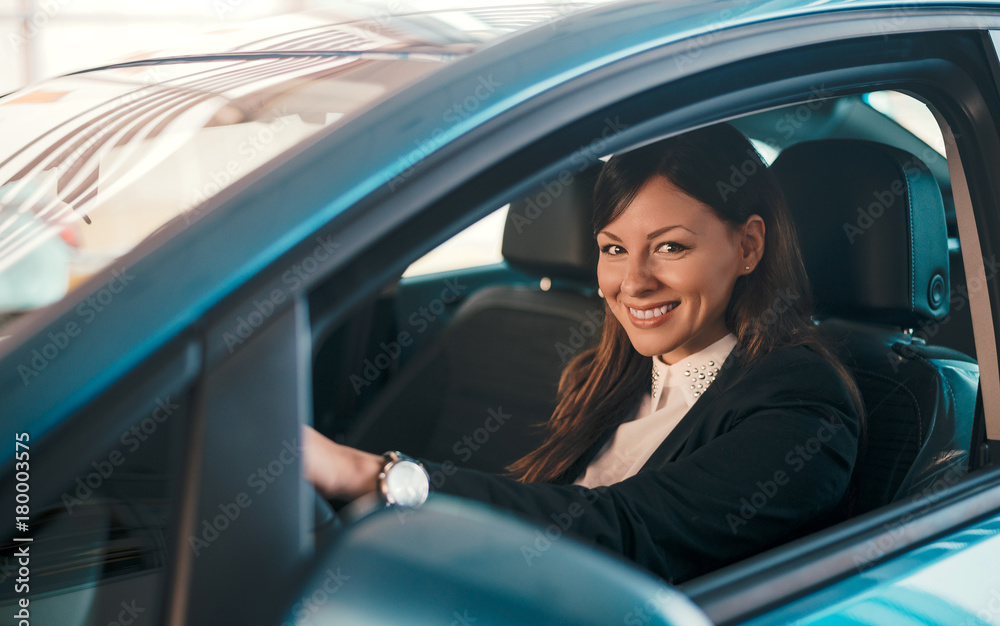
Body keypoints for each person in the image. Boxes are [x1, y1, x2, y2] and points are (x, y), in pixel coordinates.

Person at [304, 123, 862, 584]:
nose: (634, 282)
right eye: (614, 249)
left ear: (748, 247)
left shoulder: (803, 401)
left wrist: (375, 476)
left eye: (670, 247)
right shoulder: (606, 375)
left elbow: (625, 532)